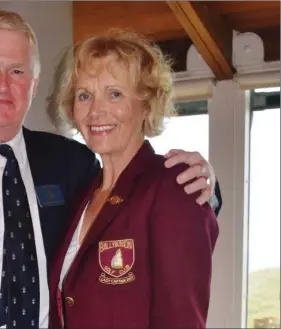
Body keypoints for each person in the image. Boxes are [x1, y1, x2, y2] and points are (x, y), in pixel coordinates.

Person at [0, 10, 221, 329]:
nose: (3, 84)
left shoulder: (71, 164)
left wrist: (206, 185)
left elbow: (156, 210)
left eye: (17, 71)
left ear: (34, 85)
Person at [48, 29, 220, 329]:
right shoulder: (80, 194)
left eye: (114, 93)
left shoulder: (173, 186)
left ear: (146, 103)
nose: (96, 110)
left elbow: (182, 320)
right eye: (84, 95)